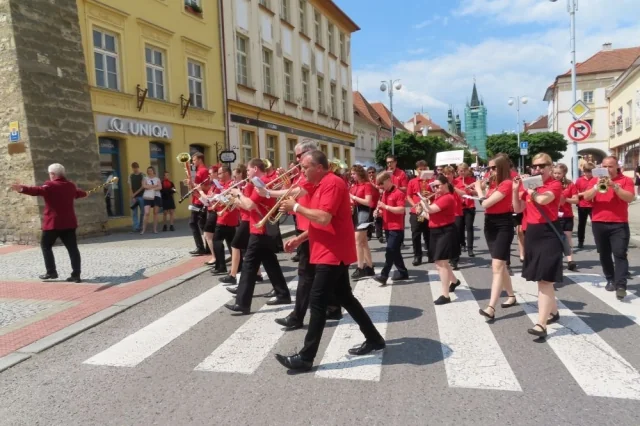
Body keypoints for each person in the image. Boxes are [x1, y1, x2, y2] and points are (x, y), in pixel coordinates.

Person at [274, 150, 386, 372]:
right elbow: (323, 219)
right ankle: (374, 339)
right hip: (326, 249)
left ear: (319, 167)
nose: (301, 171)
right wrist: (300, 238)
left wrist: (295, 207)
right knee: (346, 297)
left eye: (305, 167)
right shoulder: (319, 185)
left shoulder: (332, 183)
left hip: (332, 252)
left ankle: (306, 357)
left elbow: (324, 218)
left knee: (317, 301)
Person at [272, 141, 342, 330]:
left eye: (299, 156)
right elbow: (296, 192)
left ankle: (298, 316)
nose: (296, 161)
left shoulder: (324, 179)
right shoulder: (305, 173)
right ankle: (334, 307)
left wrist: (268, 192)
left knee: (307, 274)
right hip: (308, 227)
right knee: (325, 276)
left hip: (315, 226)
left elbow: (298, 194)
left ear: (311, 153)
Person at [224, 159, 291, 314]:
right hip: (263, 228)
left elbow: (249, 205)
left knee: (248, 265)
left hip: (260, 229)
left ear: (255, 169)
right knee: (270, 262)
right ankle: (283, 294)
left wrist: (238, 194)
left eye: (248, 170)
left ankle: (242, 303)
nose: (247, 173)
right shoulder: (262, 182)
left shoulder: (261, 183)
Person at [512, 153, 563, 338]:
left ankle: (541, 325)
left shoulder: (554, 185)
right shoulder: (529, 186)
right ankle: (554, 312)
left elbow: (543, 200)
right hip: (532, 232)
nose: (538, 169)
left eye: (543, 166)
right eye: (535, 166)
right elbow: (517, 209)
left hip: (549, 233)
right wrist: (515, 188)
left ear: (550, 167)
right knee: (541, 278)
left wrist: (529, 188)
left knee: (545, 280)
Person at [10, 163, 87, 282]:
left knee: (46, 246)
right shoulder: (71, 185)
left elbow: (37, 190)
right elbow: (78, 193)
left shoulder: (50, 185)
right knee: (73, 249)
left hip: (53, 223)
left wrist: (22, 188)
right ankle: (76, 274)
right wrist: (85, 193)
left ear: (52, 174)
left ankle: (51, 272)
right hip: (69, 223)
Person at [583, 156, 635, 300]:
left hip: (619, 223)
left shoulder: (626, 180)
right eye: (604, 166)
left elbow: (629, 198)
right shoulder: (594, 180)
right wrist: (595, 187)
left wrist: (615, 186)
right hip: (599, 222)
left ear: (617, 167)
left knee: (619, 253)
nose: (607, 169)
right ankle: (610, 279)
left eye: (610, 167)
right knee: (604, 253)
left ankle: (621, 285)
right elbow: (586, 197)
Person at [475, 156, 517, 319]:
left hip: (503, 225)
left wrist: (479, 189)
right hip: (490, 224)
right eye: (488, 168)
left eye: (493, 168)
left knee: (497, 265)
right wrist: (483, 188)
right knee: (500, 265)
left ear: (501, 168)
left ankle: (491, 307)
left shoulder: (507, 183)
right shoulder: (495, 184)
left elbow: (485, 203)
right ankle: (511, 296)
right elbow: (487, 199)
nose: (489, 171)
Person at [420, 175, 460, 305]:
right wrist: (421, 212)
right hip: (436, 231)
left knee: (440, 263)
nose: (435, 188)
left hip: (445, 231)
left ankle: (445, 295)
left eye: (438, 186)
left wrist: (423, 202)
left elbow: (431, 210)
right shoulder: (439, 198)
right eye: (434, 186)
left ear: (446, 184)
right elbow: (432, 216)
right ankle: (454, 281)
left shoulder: (447, 198)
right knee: (442, 262)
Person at [373, 171, 409, 286]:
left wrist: (385, 207)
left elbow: (401, 210)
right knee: (395, 252)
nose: (380, 186)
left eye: (381, 183)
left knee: (390, 251)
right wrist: (378, 213)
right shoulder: (384, 193)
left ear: (388, 180)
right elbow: (384, 210)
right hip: (387, 227)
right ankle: (403, 272)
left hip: (396, 228)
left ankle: (384, 276)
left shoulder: (398, 193)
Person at [212, 166, 239, 275]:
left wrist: (219, 198)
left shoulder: (232, 185)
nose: (218, 176)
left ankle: (221, 266)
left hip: (226, 217)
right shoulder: (221, 185)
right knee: (231, 243)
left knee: (216, 241)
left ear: (227, 173)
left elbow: (230, 200)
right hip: (225, 217)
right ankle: (238, 264)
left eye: (220, 173)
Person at [349, 165, 375, 280]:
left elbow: (368, 202)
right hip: (355, 212)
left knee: (358, 241)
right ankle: (370, 267)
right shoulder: (354, 185)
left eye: (354, 173)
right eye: (351, 174)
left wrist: (353, 197)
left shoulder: (367, 185)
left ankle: (360, 267)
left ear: (359, 173)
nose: (352, 175)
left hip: (363, 212)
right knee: (363, 242)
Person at [406, 160, 432, 266]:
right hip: (416, 211)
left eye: (423, 169)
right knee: (415, 234)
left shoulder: (431, 181)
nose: (421, 171)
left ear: (427, 169)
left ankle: (431, 254)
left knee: (429, 234)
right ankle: (417, 256)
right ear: (417, 170)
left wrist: (430, 193)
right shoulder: (412, 181)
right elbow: (408, 196)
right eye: (420, 169)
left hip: (428, 210)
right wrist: (414, 205)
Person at [553, 163, 578, 271]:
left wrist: (565, 200)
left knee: (567, 238)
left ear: (564, 173)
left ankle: (570, 260)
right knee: (556, 239)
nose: (557, 175)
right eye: (555, 173)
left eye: (559, 173)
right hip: (554, 215)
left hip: (567, 215)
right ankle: (556, 260)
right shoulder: (550, 184)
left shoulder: (570, 184)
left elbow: (576, 200)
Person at [187, 152, 210, 256]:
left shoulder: (204, 170)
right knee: (201, 224)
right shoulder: (198, 171)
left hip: (200, 201)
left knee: (193, 223)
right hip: (197, 200)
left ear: (200, 160)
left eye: (194, 160)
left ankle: (200, 247)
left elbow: (207, 187)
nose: (193, 162)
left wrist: (195, 185)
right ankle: (208, 247)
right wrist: (190, 184)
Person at [456, 163, 477, 257]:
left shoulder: (472, 180)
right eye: (460, 171)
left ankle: (470, 248)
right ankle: (462, 243)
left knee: (469, 227)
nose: (462, 172)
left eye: (464, 170)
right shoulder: (455, 181)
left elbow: (478, 193)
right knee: (459, 228)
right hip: (459, 207)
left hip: (470, 206)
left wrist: (472, 191)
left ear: (467, 171)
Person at [575, 163, 596, 249]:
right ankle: (580, 241)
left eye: (590, 172)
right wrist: (584, 194)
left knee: (595, 224)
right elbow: (575, 193)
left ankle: (598, 242)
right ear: (584, 172)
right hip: (582, 205)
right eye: (586, 172)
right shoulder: (579, 180)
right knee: (581, 224)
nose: (588, 173)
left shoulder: (595, 179)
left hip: (593, 205)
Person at [202, 166, 220, 267]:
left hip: (215, 212)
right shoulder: (212, 185)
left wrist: (200, 191)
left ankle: (215, 257)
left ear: (216, 174)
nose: (209, 176)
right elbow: (207, 198)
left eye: (210, 173)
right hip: (211, 211)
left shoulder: (217, 185)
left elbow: (211, 198)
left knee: (208, 235)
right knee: (210, 236)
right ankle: (216, 257)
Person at [140, 166, 162, 235]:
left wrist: (150, 187)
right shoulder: (145, 178)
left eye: (151, 170)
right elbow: (144, 186)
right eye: (148, 171)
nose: (149, 172)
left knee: (155, 212)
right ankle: (143, 230)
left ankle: (155, 229)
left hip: (156, 196)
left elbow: (160, 187)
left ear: (153, 171)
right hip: (148, 196)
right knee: (146, 213)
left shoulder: (157, 179)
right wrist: (154, 186)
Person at [128, 162, 145, 233]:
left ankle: (141, 226)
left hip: (142, 196)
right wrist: (132, 196)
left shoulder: (142, 175)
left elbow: (143, 186)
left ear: (138, 167)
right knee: (134, 213)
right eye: (134, 168)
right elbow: (130, 187)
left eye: (136, 168)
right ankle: (136, 227)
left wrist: (134, 194)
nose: (135, 170)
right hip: (134, 197)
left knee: (142, 212)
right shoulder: (130, 176)